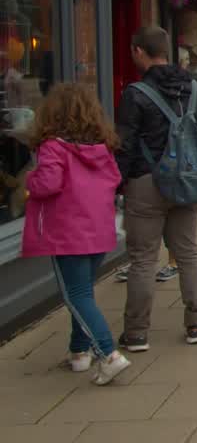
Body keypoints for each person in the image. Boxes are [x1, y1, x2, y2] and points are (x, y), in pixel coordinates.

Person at [113, 27, 197, 352]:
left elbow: (124, 146)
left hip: (146, 181)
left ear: (139, 52)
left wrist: (117, 185)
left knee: (143, 260)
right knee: (188, 252)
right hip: (187, 179)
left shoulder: (135, 93)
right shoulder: (193, 87)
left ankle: (137, 333)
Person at [22, 83, 131, 384]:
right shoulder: (102, 146)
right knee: (83, 291)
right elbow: (115, 179)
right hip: (98, 229)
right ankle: (79, 352)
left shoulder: (53, 147)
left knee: (76, 295)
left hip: (67, 231)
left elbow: (47, 184)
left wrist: (29, 179)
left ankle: (108, 355)